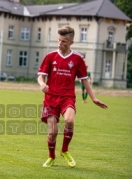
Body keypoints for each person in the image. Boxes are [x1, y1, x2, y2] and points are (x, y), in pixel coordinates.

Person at [37, 25, 107, 168]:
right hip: (51, 98)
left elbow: (84, 80)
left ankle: (65, 150)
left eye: (63, 41)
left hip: (68, 97)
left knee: (69, 120)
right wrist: (42, 84)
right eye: (59, 40)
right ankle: (51, 156)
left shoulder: (77, 59)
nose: (60, 44)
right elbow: (41, 76)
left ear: (71, 42)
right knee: (53, 132)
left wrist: (93, 98)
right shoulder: (50, 56)